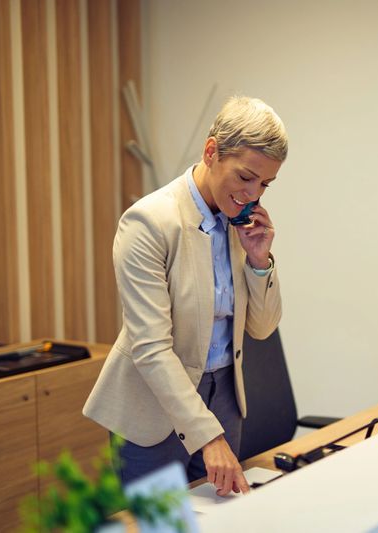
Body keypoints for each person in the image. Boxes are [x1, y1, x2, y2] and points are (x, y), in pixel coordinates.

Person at [84, 95, 286, 496]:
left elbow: (262, 329)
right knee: (164, 525)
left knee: (223, 521)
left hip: (225, 395)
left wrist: (259, 260)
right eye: (245, 177)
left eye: (264, 183)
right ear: (211, 152)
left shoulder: (239, 222)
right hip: (153, 406)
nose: (252, 194)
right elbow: (151, 347)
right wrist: (207, 437)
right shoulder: (149, 222)